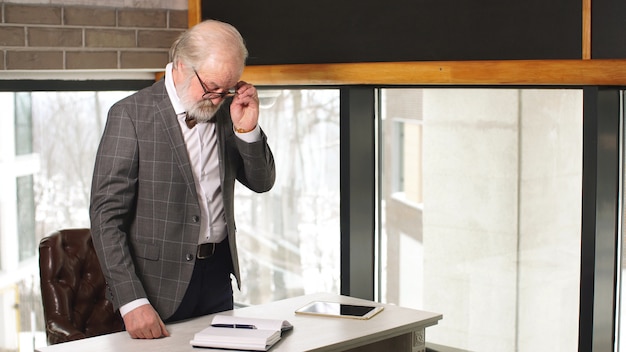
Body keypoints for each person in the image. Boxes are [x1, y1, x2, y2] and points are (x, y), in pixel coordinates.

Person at [89, 19, 276, 339]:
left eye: (227, 89)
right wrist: (132, 301)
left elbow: (261, 182)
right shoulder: (130, 115)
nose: (218, 99)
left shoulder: (229, 109)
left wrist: (247, 130)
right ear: (180, 66)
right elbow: (106, 216)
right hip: (156, 286)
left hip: (218, 276)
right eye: (211, 88)